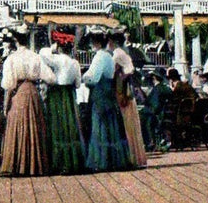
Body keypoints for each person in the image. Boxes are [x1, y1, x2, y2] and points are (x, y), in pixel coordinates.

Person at [0, 25, 56, 176]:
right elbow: (50, 77)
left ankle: (17, 165)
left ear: (15, 40)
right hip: (32, 92)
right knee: (33, 126)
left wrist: (6, 104)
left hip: (19, 93)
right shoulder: (35, 56)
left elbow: (8, 84)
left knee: (17, 125)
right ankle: (34, 164)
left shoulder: (12, 58)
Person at [82, 30, 131, 172]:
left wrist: (85, 77)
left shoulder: (99, 57)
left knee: (100, 125)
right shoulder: (109, 56)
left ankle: (100, 161)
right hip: (109, 92)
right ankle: (113, 160)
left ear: (96, 43)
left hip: (99, 92)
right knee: (111, 126)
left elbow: (93, 78)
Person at [39, 40, 86, 174]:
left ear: (59, 47)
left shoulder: (56, 60)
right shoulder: (75, 63)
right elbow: (78, 84)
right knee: (70, 127)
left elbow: (42, 53)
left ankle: (58, 163)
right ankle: (72, 161)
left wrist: (52, 47)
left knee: (57, 127)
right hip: (69, 94)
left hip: (57, 94)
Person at [109, 30, 147, 168]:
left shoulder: (117, 54)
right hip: (126, 89)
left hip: (121, 90)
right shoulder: (124, 53)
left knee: (125, 123)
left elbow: (111, 71)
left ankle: (129, 155)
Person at [142, 69, 173, 151]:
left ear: (154, 78)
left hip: (157, 114)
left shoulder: (157, 89)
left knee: (144, 118)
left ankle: (150, 142)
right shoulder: (165, 88)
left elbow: (155, 106)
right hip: (164, 113)